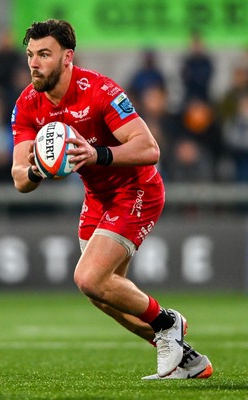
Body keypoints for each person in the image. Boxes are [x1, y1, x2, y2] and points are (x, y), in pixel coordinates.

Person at [11, 19, 213, 380]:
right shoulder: (28, 104)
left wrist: (98, 154)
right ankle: (188, 360)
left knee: (88, 277)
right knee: (101, 293)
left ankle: (169, 322)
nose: (34, 63)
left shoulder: (100, 91)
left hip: (136, 190)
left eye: (44, 54)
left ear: (67, 57)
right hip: (98, 197)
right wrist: (37, 171)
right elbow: (19, 178)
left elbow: (149, 149)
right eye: (30, 55)